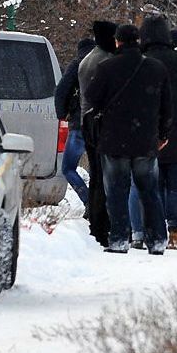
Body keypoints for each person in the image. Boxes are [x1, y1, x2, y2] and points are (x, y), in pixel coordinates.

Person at [84, 24, 171, 254]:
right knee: (149, 191)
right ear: (138, 41)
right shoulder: (156, 68)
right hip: (145, 139)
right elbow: (167, 106)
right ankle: (158, 239)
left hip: (114, 139)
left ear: (117, 42)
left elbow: (91, 97)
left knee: (116, 191)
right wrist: (162, 134)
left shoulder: (106, 67)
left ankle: (120, 238)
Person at [133, 16, 177, 250]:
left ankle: (150, 231)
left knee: (150, 184)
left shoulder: (141, 60)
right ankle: (175, 232)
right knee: (175, 185)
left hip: (148, 131)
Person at [77, 21, 117, 247]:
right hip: (97, 120)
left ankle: (96, 219)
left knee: (97, 176)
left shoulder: (90, 58)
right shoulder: (102, 61)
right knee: (103, 175)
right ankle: (102, 224)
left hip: (88, 120)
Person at [54, 36, 95, 213]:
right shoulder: (106, 65)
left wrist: (61, 114)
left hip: (79, 125)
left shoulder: (77, 64)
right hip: (102, 127)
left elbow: (61, 91)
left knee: (68, 168)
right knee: (100, 169)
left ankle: (88, 200)